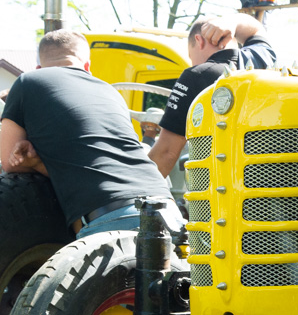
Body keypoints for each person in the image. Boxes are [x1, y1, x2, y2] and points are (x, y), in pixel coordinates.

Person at [0, 30, 181, 239]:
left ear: (39, 68)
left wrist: (33, 162)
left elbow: (10, 161)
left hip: (110, 219)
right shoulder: (110, 91)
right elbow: (102, 161)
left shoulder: (28, 81)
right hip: (167, 208)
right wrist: (39, 163)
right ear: (87, 67)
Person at [148, 14, 276, 177]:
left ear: (199, 41)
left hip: (223, 189)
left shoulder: (196, 76)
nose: (192, 63)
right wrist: (232, 20)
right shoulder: (261, 60)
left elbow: (166, 153)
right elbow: (256, 29)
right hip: (269, 181)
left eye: (190, 55)